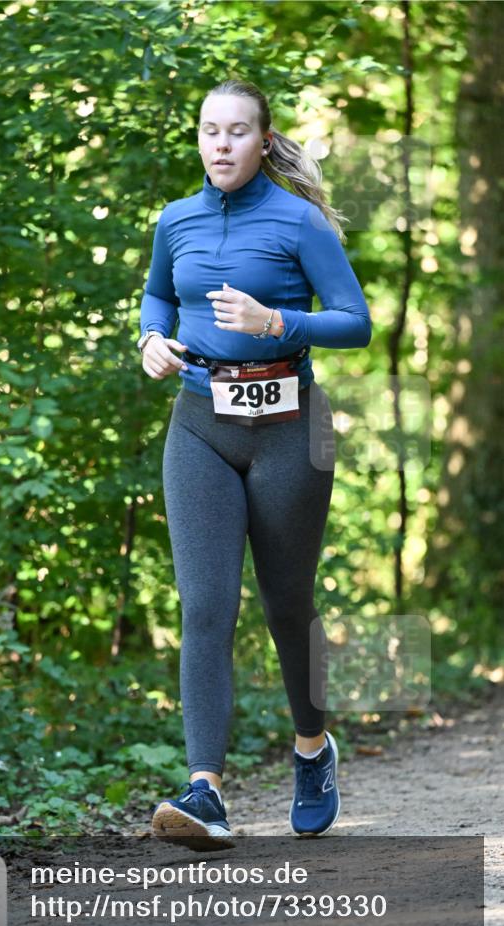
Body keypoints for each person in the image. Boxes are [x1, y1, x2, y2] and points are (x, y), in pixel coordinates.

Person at [136, 79, 371, 849]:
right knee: (205, 606)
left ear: (263, 141)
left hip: (290, 428)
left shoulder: (299, 221)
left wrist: (278, 321)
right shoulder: (175, 220)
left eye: (236, 131)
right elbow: (157, 298)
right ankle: (204, 790)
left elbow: (356, 322)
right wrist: (150, 340)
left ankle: (311, 747)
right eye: (209, 130)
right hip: (200, 424)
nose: (220, 144)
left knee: (286, 603)